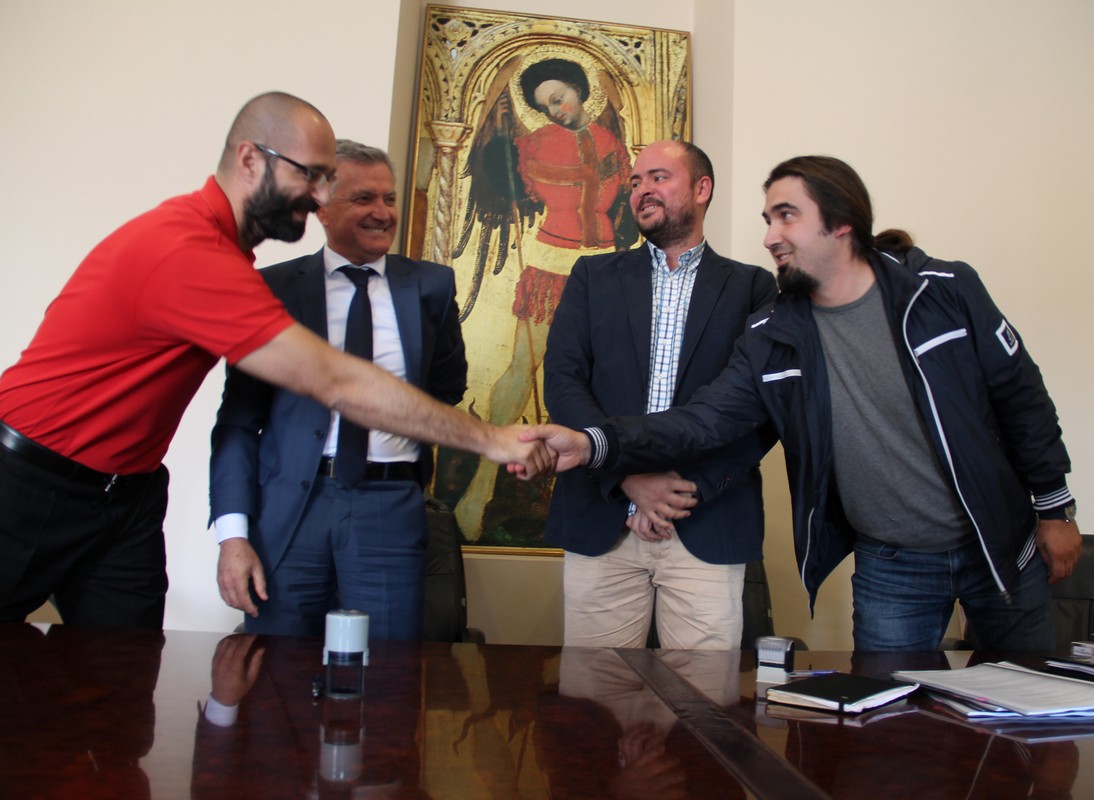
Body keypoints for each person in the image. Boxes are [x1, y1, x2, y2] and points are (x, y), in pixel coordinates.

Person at [0, 92, 550, 630]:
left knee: (122, 673)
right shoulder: (188, 249)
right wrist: (491, 439)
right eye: (310, 175)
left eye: (326, 179)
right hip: (31, 479)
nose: (319, 196)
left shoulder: (231, 254)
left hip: (130, 492)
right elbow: (333, 381)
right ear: (249, 159)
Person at [526, 155, 1082, 651]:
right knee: (889, 726)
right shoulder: (775, 330)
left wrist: (1055, 510)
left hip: (997, 543)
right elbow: (708, 418)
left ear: (840, 222)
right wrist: (599, 447)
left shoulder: (942, 290)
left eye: (786, 216)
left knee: (1033, 708)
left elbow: (1021, 397)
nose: (770, 236)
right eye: (768, 219)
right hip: (890, 563)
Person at [209, 140, 467, 640]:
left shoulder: (432, 288)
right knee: (276, 670)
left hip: (389, 507)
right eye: (364, 198)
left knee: (387, 673)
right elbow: (238, 423)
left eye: (389, 199)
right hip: (291, 510)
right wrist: (232, 537)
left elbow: (445, 392)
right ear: (322, 207)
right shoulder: (272, 289)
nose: (382, 213)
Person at [543, 140, 776, 649]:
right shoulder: (591, 277)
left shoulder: (753, 288)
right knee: (597, 688)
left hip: (705, 518)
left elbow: (759, 409)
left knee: (701, 694)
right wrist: (628, 479)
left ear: (702, 188)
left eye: (658, 177)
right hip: (603, 516)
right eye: (635, 181)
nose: (642, 189)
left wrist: (681, 493)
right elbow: (563, 383)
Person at [452, 56, 634, 541]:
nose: (554, 110)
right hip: (552, 266)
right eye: (544, 105)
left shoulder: (613, 144)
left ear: (579, 90)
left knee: (601, 380)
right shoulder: (530, 145)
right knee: (522, 367)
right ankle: (480, 488)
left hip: (605, 272)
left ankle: (589, 495)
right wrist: (504, 164)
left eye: (558, 98)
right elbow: (509, 188)